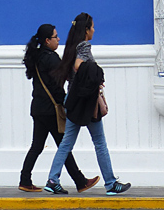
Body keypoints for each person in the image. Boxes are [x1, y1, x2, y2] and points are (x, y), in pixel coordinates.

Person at [44, 13, 131, 196]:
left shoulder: (70, 47)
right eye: (92, 27)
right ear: (86, 29)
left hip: (73, 101)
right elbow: (78, 66)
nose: (94, 30)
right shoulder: (84, 46)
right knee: (99, 142)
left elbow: (71, 72)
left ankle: (53, 179)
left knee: (66, 143)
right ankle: (110, 183)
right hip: (86, 103)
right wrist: (96, 74)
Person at [18, 24, 99, 193]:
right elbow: (58, 83)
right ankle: (77, 181)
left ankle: (25, 180)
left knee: (38, 145)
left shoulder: (37, 56)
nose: (59, 39)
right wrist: (66, 101)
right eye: (56, 37)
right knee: (64, 145)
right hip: (51, 110)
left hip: (38, 108)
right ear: (47, 41)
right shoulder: (51, 58)